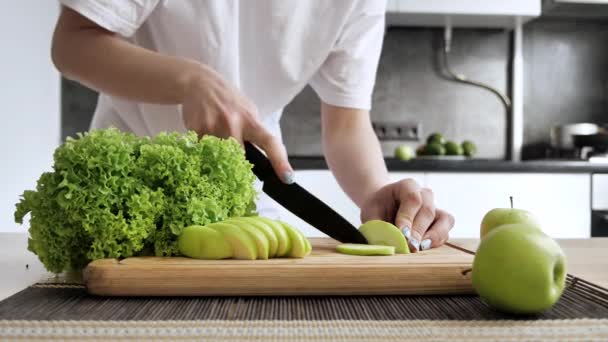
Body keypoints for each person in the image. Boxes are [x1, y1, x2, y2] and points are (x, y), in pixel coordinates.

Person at [51, 0, 454, 252]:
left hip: (245, 199)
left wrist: (376, 192)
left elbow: (347, 124)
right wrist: (190, 81)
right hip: (128, 197)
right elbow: (73, 43)